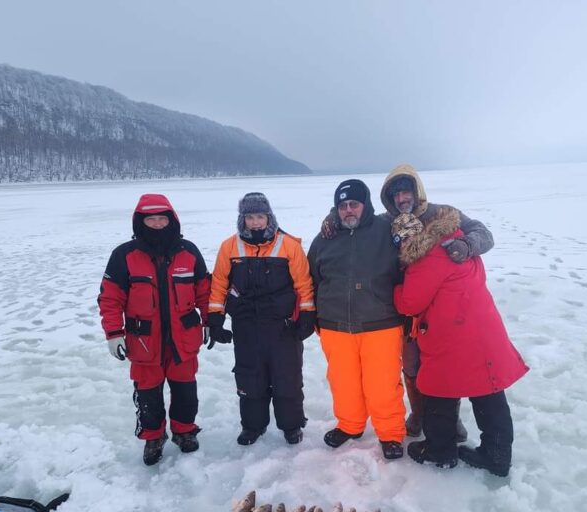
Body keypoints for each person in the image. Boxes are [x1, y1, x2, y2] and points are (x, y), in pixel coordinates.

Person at [322, 164, 494, 441]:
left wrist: (467, 246)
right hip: (404, 307)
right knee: (411, 366)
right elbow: (356, 218)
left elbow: (484, 234)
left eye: (406, 192)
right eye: (395, 195)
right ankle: (419, 414)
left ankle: (451, 424)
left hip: (443, 307)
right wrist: (332, 217)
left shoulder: (443, 214)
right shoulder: (386, 221)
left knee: (444, 365)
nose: (401, 199)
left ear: (417, 190)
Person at [392, 208, 529, 476]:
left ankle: (440, 452)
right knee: (488, 391)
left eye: (405, 240)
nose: (404, 245)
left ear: (417, 237)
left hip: (452, 338)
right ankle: (497, 455)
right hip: (483, 331)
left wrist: (396, 287)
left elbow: (410, 302)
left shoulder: (427, 258)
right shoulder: (455, 242)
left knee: (439, 392)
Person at [98, 193, 211, 466]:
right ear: (141, 222)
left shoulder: (189, 252)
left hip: (183, 339)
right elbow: (110, 298)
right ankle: (153, 436)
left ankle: (184, 431)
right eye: (152, 219)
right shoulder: (124, 255)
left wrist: (210, 321)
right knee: (148, 393)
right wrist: (114, 333)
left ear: (172, 220)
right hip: (144, 341)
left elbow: (205, 292)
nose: (158, 224)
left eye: (162, 218)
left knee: (185, 390)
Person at [308, 179, 406, 460]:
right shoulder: (324, 238)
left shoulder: (387, 231)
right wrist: (314, 316)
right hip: (335, 325)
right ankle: (350, 425)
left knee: (383, 383)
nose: (348, 210)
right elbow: (312, 279)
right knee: (343, 381)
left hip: (382, 322)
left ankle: (390, 434)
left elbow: (405, 272)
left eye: (354, 204)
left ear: (366, 205)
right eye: (342, 206)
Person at [207, 193, 316, 446]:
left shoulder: (289, 245)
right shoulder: (229, 247)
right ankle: (253, 426)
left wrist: (308, 315)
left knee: (286, 377)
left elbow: (303, 284)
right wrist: (215, 318)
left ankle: (291, 425)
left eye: (259, 216)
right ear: (242, 219)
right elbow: (219, 284)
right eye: (250, 217)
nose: (255, 222)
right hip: (246, 326)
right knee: (249, 377)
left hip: (283, 326)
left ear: (269, 217)